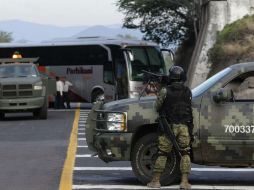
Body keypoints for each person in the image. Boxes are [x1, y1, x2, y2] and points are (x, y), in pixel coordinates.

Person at [147, 66, 193, 189]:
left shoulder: (165, 91)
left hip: (169, 126)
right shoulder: (188, 91)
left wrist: (162, 87)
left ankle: (156, 181)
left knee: (162, 153)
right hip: (184, 126)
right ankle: (184, 182)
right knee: (185, 153)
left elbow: (157, 107)